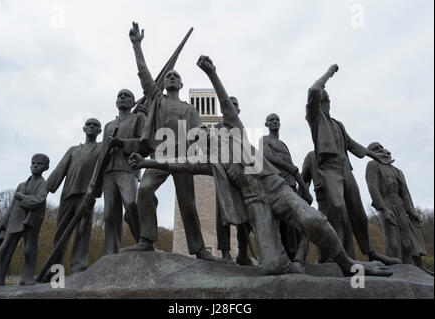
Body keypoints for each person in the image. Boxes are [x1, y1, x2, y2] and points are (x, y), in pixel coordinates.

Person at [127, 55, 393, 278]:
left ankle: (349, 265)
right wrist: (147, 161)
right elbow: (179, 165)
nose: (203, 137)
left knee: (314, 220)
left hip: (275, 187)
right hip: (256, 203)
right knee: (272, 266)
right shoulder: (211, 161)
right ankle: (286, 260)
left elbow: (225, 104)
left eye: (204, 133)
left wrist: (211, 72)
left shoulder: (234, 131)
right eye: (199, 138)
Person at [122, 22, 215, 261]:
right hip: (160, 155)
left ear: (181, 85)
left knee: (188, 202)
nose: (171, 77)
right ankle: (146, 239)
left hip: (182, 157)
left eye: (176, 76)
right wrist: (136, 46)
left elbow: (200, 136)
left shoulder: (190, 109)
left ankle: (200, 250)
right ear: (164, 83)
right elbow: (144, 74)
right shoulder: (157, 100)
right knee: (144, 190)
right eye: (169, 76)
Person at [305, 64, 401, 265]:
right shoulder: (315, 118)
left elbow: (352, 144)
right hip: (329, 169)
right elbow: (314, 89)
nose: (327, 103)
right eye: (323, 100)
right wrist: (329, 73)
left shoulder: (338, 124)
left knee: (357, 211)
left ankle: (370, 252)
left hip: (345, 169)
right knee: (338, 207)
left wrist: (374, 155)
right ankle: (337, 254)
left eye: (328, 100)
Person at [365, 142, 432, 275]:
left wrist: (412, 211)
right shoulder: (373, 165)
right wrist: (383, 209)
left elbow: (405, 193)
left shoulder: (397, 170)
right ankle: (394, 269)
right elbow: (373, 188)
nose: (381, 150)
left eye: (381, 147)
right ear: (372, 154)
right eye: (376, 149)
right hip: (387, 203)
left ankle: (410, 269)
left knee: (407, 242)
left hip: (400, 204)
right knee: (393, 242)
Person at [46, 118, 102, 273]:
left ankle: (78, 267)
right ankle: (54, 270)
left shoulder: (102, 147)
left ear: (100, 131)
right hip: (68, 193)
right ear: (84, 129)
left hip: (87, 194)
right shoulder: (73, 150)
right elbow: (60, 170)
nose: (92, 126)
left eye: (95, 125)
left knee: (82, 231)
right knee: (61, 232)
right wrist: (45, 189)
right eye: (89, 124)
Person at [0, 154, 50, 286]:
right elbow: (11, 207)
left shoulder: (44, 184)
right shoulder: (21, 185)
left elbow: (37, 201)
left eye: (39, 163)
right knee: (4, 249)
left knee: (29, 250)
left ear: (46, 168)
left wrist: (22, 197)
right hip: (15, 220)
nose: (35, 165)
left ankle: (27, 277)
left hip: (31, 221)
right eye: (33, 163)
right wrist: (1, 226)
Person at [261, 113, 312, 262]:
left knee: (295, 223)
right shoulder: (264, 140)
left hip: (291, 185)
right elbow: (267, 156)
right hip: (277, 186)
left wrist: (304, 189)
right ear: (266, 124)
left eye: (277, 120)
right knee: (283, 223)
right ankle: (287, 255)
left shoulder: (283, 144)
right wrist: (288, 166)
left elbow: (293, 168)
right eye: (271, 120)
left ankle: (296, 255)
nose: (275, 122)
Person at [102, 88, 145, 255]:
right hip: (108, 172)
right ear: (116, 102)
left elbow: (144, 144)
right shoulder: (109, 126)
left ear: (133, 102)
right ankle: (111, 254)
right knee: (109, 215)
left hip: (128, 169)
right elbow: (102, 154)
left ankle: (143, 241)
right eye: (119, 96)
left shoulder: (138, 119)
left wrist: (121, 143)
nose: (122, 98)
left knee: (132, 204)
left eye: (126, 96)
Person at [214, 97, 252, 266]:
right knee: (222, 216)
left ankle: (243, 253)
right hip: (223, 176)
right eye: (229, 105)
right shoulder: (216, 129)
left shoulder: (241, 130)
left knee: (245, 219)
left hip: (241, 178)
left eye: (235, 105)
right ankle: (225, 253)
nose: (231, 108)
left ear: (238, 110)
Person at [301, 150, 355, 260]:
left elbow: (347, 178)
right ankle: (325, 259)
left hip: (341, 198)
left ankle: (346, 259)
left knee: (344, 228)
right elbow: (304, 180)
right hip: (323, 199)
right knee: (325, 228)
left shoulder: (338, 155)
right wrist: (301, 198)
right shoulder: (311, 156)